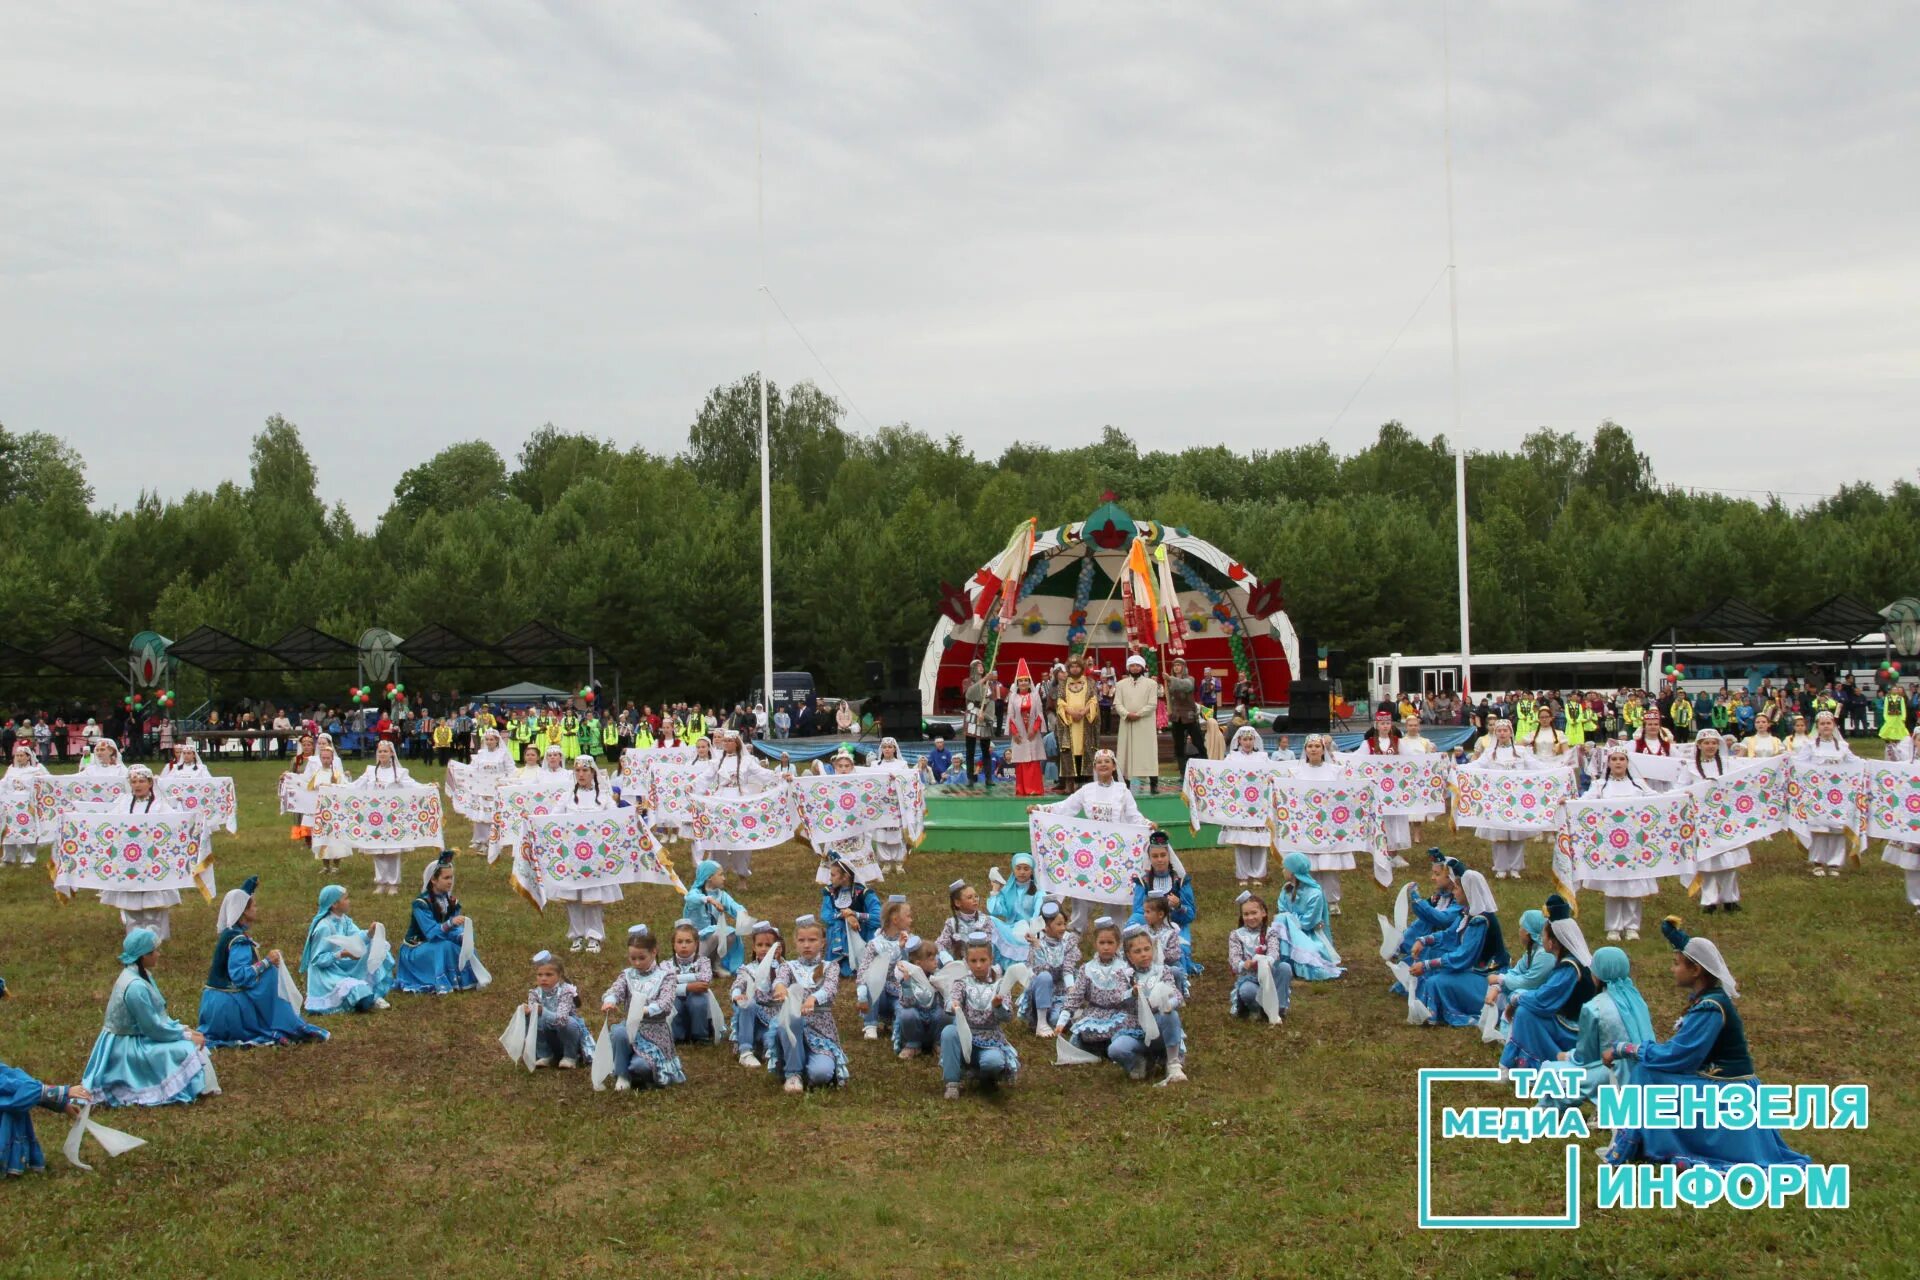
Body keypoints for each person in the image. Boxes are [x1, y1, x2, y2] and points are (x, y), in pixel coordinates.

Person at [1601, 918, 1811, 1172]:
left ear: (1696, 970)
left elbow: (1679, 1055)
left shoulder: (1711, 1008)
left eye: (1676, 964)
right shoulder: (1709, 1002)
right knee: (1650, 1071)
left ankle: (1665, 1148)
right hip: (1716, 1081)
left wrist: (1626, 1049)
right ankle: (1657, 1144)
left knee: (1647, 1074)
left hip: (1726, 1090)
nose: (1672, 969)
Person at [81, 928, 218, 1108]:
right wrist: (185, 1036)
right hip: (125, 1046)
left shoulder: (139, 975)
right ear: (143, 956)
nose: (158, 955)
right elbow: (152, 1027)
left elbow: (158, 1018)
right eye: (154, 951)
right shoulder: (135, 987)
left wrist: (184, 1029)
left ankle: (199, 1087)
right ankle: (183, 1089)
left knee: (192, 1042)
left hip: (136, 1036)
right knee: (185, 1048)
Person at [197, 877, 330, 1048]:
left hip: (213, 1004)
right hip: (228, 1008)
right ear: (244, 911)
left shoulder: (229, 932)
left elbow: (238, 899)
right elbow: (239, 976)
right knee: (271, 974)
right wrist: (268, 961)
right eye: (254, 906)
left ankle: (280, 1020)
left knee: (267, 974)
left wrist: (249, 887)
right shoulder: (238, 940)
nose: (257, 909)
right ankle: (284, 1023)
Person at [1550, 945, 1654, 1109]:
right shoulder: (1637, 1001)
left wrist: (1567, 1056)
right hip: (1646, 1072)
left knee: (1550, 1071)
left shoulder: (1594, 1008)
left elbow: (1585, 1057)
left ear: (1597, 975)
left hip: (1613, 1072)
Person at [1499, 894, 1593, 1071]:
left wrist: (1516, 999)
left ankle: (1546, 1060)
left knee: (1525, 1013)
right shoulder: (1571, 962)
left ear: (1553, 940)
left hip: (1575, 1030)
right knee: (1526, 1009)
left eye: (1544, 933)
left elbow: (1543, 1000)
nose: (1541, 938)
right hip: (1567, 1019)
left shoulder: (1569, 967)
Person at [96, 764, 184, 942]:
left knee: (154, 905)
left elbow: (174, 827)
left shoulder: (160, 805)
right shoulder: (123, 804)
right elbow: (110, 825)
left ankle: (154, 937)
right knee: (131, 904)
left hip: (153, 862)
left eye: (141, 781)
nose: (137, 785)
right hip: (128, 863)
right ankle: (134, 937)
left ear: (150, 783)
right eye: (134, 781)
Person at [1409, 870, 1508, 1026]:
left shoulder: (1480, 920)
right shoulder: (1467, 912)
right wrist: (1423, 940)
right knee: (1431, 956)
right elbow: (1449, 935)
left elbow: (1463, 956)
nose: (1453, 892)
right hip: (1472, 968)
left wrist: (1427, 965)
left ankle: (1439, 1013)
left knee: (1436, 982)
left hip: (1486, 976)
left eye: (1456, 888)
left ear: (1467, 892)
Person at [768, 915, 849, 1093]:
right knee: (792, 1019)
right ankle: (793, 1073)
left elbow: (830, 988)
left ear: (822, 942)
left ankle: (807, 1062)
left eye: (812, 940)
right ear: (795, 943)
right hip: (793, 1027)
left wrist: (812, 999)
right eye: (802, 940)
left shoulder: (831, 967)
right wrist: (780, 987)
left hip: (820, 1030)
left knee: (821, 1075)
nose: (806, 945)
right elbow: (779, 980)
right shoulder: (788, 966)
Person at [549, 756, 620, 954]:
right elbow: (552, 818)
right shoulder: (567, 797)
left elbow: (615, 819)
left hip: (595, 856)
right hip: (571, 855)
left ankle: (594, 936)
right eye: (577, 770)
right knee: (572, 896)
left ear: (593, 773)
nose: (581, 774)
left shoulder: (604, 797)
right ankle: (577, 935)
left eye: (585, 771)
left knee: (592, 897)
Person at [600, 925, 685, 1091]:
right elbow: (615, 990)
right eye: (633, 958)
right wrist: (610, 1000)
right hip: (630, 1026)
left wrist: (645, 1010)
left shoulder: (666, 976)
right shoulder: (627, 975)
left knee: (641, 1068)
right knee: (618, 1032)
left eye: (641, 958)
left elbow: (665, 1003)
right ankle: (622, 1074)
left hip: (655, 1031)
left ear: (654, 952)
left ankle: (634, 1066)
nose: (637, 963)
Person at [940, 932, 1019, 1100]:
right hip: (964, 1035)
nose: (978, 966)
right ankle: (952, 1082)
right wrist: (954, 1005)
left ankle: (984, 1076)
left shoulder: (1001, 984)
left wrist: (998, 1007)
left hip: (989, 1038)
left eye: (983, 960)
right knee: (948, 1032)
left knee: (993, 1062)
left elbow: (1007, 1017)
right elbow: (951, 1002)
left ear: (991, 959)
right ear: (967, 962)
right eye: (973, 961)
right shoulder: (961, 982)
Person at [1281, 733, 1353, 912]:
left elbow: (1345, 794)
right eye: (1310, 746)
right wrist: (1273, 784)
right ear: (1305, 750)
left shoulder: (1335, 771)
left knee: (1329, 865)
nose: (1313, 749)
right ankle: (1308, 900)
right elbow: (1287, 793)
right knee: (1307, 864)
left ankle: (1331, 901)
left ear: (1323, 749)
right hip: (1305, 824)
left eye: (1317, 746)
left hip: (1329, 823)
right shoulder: (1295, 772)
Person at [395, 853, 485, 995]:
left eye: (451, 877)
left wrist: (461, 936)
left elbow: (453, 930)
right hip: (417, 948)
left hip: (439, 941)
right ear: (433, 880)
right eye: (446, 878)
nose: (450, 881)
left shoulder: (452, 902)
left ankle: (463, 979)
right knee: (444, 947)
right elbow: (430, 932)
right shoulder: (421, 904)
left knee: (464, 948)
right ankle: (438, 981)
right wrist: (450, 923)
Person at [300, 885, 395, 1015]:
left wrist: (369, 934)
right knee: (361, 993)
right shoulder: (324, 927)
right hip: (327, 972)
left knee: (378, 946)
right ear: (334, 904)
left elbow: (355, 938)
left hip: (342, 964)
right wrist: (342, 953)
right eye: (346, 898)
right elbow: (317, 960)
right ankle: (363, 994)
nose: (349, 901)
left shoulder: (344, 920)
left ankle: (374, 994)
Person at [1472, 720, 1548, 881]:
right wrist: (1458, 768)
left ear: (1510, 732)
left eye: (1505, 730)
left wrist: (1558, 767)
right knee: (1499, 835)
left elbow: (1537, 766)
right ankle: (1500, 867)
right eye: (1499, 731)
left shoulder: (1521, 752)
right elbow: (1476, 766)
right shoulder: (1489, 753)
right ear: (1496, 733)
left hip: (1517, 799)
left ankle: (1515, 867)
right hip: (1497, 799)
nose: (1502, 733)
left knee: (1516, 834)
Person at [697, 729, 779, 878]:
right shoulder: (716, 762)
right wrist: (692, 786)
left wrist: (779, 776)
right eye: (725, 741)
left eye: (729, 741)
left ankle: (742, 874)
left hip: (740, 803)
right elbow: (705, 777)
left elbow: (762, 773)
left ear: (736, 743)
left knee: (741, 839)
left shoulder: (747, 761)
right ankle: (717, 874)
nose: (726, 743)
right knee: (719, 839)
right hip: (721, 803)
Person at [1686, 729, 1749, 914]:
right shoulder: (1690, 767)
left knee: (1729, 860)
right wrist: (1688, 792)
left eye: (1714, 743)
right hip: (1701, 819)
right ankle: (1709, 900)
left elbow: (1741, 783)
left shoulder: (1729, 765)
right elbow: (1679, 788)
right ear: (1699, 745)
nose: (1710, 746)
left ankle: (1730, 899)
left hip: (1725, 817)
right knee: (1707, 861)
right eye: (1706, 743)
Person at [1794, 710, 1856, 878]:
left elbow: (1855, 764)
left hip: (1838, 794)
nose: (1826, 726)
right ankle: (1817, 861)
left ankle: (1835, 863)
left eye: (1829, 723)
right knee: (1819, 828)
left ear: (1834, 725)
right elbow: (1799, 764)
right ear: (1818, 726)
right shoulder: (1810, 746)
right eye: (1822, 724)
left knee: (1837, 828)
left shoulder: (1843, 746)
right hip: (1817, 794)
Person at [352, 740, 416, 896]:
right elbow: (354, 786)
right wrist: (334, 787)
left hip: (392, 817)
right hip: (374, 816)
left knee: (392, 851)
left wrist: (430, 787)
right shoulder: (370, 772)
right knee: (378, 850)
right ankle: (381, 882)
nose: (382, 754)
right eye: (380, 751)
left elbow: (414, 786)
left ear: (392, 753)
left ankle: (393, 883)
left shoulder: (400, 773)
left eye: (385, 751)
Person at [1128, 830, 1198, 975]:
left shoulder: (1180, 881)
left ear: (1169, 856)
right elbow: (1138, 912)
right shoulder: (1143, 882)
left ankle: (1179, 976)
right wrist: (1152, 916)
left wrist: (1179, 906)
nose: (1159, 860)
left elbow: (1190, 915)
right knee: (1135, 935)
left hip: (1176, 925)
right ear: (1149, 858)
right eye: (1155, 856)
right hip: (1150, 925)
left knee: (1181, 948)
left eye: (1163, 855)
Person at [1220, 725, 1281, 886]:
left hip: (1259, 806)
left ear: (1255, 740)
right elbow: (1224, 777)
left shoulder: (1263, 758)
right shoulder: (1231, 759)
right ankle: (1243, 875)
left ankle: (1259, 874)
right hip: (1240, 806)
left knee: (1260, 841)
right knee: (1241, 842)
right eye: (1244, 739)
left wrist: (1272, 779)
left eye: (1250, 739)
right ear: (1239, 740)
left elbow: (1274, 773)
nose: (1247, 742)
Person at [1273, 852, 1344, 980]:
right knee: (1280, 920)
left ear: (1293, 872)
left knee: (1314, 961)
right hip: (1288, 931)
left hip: (1308, 933)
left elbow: (1309, 922)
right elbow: (1281, 910)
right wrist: (1286, 919)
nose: (1283, 871)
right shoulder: (1286, 889)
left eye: (1285, 868)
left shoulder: (1314, 893)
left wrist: (1289, 919)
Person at [1227, 891, 1290, 1024]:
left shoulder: (1270, 933)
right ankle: (1257, 1009)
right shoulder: (1236, 935)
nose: (1250, 917)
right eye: (1246, 914)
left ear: (1263, 913)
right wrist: (1244, 964)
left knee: (1285, 968)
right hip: (1250, 977)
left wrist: (1268, 961)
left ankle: (1279, 1007)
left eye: (1254, 913)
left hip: (1269, 975)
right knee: (1247, 990)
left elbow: (1274, 951)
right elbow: (1234, 959)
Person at [729, 921, 784, 1069]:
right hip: (756, 1018)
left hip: (777, 1017)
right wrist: (737, 995)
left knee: (772, 1040)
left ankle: (768, 1048)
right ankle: (745, 1051)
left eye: (768, 945)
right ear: (754, 947)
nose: (764, 949)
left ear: (777, 947)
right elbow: (738, 984)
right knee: (748, 1004)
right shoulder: (748, 969)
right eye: (760, 945)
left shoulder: (786, 968)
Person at [523, 950, 591, 1069]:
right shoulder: (534, 993)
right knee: (531, 1018)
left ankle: (570, 1056)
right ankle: (544, 1054)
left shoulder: (566, 991)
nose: (543, 978)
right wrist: (527, 1012)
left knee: (569, 1023)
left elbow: (562, 1019)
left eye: (549, 975)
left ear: (559, 976)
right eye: (540, 975)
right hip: (549, 1037)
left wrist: (542, 1011)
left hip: (566, 1036)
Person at [1020, 901, 1079, 1036]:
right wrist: (1037, 947)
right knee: (1045, 976)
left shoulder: (1068, 943)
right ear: (1045, 927)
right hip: (1041, 991)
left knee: (1055, 1020)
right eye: (1058, 924)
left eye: (1064, 923)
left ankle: (1061, 1015)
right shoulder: (1038, 945)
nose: (1063, 928)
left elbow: (1068, 968)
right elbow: (1039, 971)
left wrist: (1071, 989)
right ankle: (1040, 1022)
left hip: (1060, 992)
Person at [683, 859, 750, 976]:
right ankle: (694, 965)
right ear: (709, 877)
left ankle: (714, 965)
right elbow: (690, 898)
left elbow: (734, 906)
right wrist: (708, 899)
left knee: (730, 934)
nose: (724, 878)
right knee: (718, 933)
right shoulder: (695, 892)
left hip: (711, 936)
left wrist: (742, 912)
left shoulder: (721, 895)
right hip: (694, 940)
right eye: (720, 874)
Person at [819, 857, 881, 981]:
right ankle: (840, 960)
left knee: (870, 927)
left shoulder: (864, 893)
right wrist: (845, 916)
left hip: (860, 933)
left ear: (845, 877)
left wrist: (856, 915)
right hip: (841, 933)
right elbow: (825, 915)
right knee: (837, 924)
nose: (830, 878)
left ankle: (859, 961)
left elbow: (878, 917)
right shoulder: (831, 892)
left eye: (833, 875)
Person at [891, 937, 949, 1059]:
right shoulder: (907, 978)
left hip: (933, 1015)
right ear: (918, 963)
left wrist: (941, 987)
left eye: (936, 958)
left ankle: (938, 1043)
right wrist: (907, 984)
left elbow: (946, 999)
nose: (936, 962)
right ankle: (912, 1044)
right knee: (907, 1015)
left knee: (945, 1014)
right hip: (917, 1015)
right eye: (932, 959)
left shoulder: (937, 975)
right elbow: (906, 1004)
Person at [664, 921, 717, 1046]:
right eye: (680, 942)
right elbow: (664, 985)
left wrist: (676, 979)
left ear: (696, 944)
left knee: (698, 1001)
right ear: (673, 945)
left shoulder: (703, 961)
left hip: (697, 996)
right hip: (676, 996)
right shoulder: (666, 964)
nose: (684, 945)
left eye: (688, 941)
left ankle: (700, 1035)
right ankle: (678, 1036)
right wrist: (689, 986)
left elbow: (705, 979)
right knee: (672, 1002)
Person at [1113, 654, 1160, 792]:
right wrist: (1127, 714)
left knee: (1147, 752)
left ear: (1142, 667)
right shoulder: (1120, 684)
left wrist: (1138, 714)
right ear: (1128, 667)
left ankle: (1154, 783)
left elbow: (1152, 704)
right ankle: (1124, 782)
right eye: (1132, 665)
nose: (1134, 668)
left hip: (1144, 723)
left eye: (1137, 665)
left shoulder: (1151, 684)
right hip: (1127, 722)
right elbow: (1117, 702)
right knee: (1125, 751)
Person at [868, 737, 915, 871]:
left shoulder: (902, 764)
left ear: (895, 749)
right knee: (881, 833)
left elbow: (909, 782)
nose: (887, 749)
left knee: (897, 833)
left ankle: (899, 862)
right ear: (881, 749)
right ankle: (886, 862)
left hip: (896, 804)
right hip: (880, 805)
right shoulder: (874, 765)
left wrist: (898, 779)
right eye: (885, 747)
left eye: (890, 747)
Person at [1004, 660, 1049, 797]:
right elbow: (1011, 716)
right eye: (1020, 681)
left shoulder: (1035, 696)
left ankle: (1034, 789)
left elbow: (1040, 714)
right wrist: (1015, 733)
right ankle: (1022, 789)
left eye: (1025, 680)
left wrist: (1034, 729)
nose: (1023, 683)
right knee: (1021, 762)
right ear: (1017, 683)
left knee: (1033, 761)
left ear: (1029, 682)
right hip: (1020, 735)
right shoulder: (1013, 697)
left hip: (1032, 734)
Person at [1054, 658, 1098, 791]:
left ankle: (1088, 784)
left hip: (1085, 723)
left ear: (1082, 667)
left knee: (1087, 750)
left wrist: (1084, 711)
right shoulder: (1063, 684)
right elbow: (1060, 701)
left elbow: (1093, 700)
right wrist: (1072, 713)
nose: (1074, 669)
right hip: (1070, 723)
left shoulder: (1090, 682)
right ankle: (1069, 783)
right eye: (1072, 666)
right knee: (1069, 751)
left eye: (1077, 666)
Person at [1, 744, 46, 867]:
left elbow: (44, 785)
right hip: (11, 806)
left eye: (21, 755)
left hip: (27, 806)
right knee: (9, 832)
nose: (19, 758)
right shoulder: (11, 769)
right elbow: (3, 784)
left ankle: (28, 859)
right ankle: (7, 858)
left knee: (26, 833)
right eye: (17, 755)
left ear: (28, 757)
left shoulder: (35, 771)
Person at [987, 852, 1045, 934]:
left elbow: (1037, 915)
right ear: (1014, 870)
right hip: (1009, 929)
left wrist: (1031, 930)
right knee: (990, 921)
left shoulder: (1038, 892)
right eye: (1018, 868)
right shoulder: (1007, 891)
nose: (1022, 872)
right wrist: (995, 889)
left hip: (1029, 931)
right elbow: (995, 911)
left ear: (1031, 871)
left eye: (1026, 869)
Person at [963, 659, 997, 784]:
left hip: (984, 716)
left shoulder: (990, 684)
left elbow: (992, 701)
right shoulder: (967, 682)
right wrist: (984, 679)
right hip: (972, 716)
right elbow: (969, 694)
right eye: (978, 665)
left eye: (982, 665)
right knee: (970, 750)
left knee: (985, 750)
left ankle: (988, 778)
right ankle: (970, 778)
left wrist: (987, 715)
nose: (981, 667)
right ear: (973, 668)